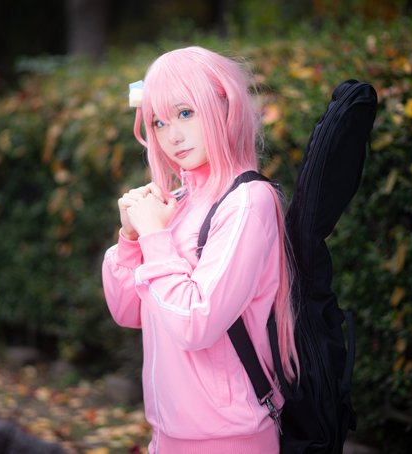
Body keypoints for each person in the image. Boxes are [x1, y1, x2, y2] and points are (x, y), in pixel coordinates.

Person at [101, 46, 298, 453]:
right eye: (159, 122)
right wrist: (131, 239)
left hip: (230, 438)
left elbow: (196, 323)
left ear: (224, 108)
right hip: (167, 434)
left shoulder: (247, 203)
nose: (172, 135)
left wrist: (154, 236)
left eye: (186, 113)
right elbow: (128, 311)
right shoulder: (178, 203)